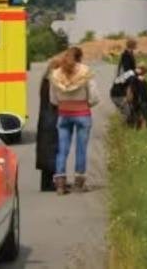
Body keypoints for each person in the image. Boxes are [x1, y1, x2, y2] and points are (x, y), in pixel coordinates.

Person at [49, 47, 99, 194]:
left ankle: (60, 183)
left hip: (64, 113)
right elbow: (93, 95)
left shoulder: (56, 74)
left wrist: (62, 103)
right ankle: (79, 182)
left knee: (62, 149)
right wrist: (88, 103)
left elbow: (53, 99)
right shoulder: (85, 71)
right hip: (82, 112)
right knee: (81, 148)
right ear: (80, 57)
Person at [36, 59, 60, 192]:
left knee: (44, 151)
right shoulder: (53, 82)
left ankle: (45, 182)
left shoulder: (45, 81)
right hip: (51, 118)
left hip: (44, 119)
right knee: (52, 149)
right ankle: (49, 183)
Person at [111, 39, 138, 121]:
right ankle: (127, 118)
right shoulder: (126, 55)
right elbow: (126, 69)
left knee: (129, 99)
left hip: (129, 76)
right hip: (126, 78)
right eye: (135, 44)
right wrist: (134, 73)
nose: (137, 46)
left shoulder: (130, 53)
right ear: (132, 45)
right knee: (126, 97)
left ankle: (129, 117)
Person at [126, 63, 147, 129]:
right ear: (144, 72)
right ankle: (140, 127)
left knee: (139, 116)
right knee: (142, 117)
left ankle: (137, 125)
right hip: (140, 103)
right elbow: (144, 94)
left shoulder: (137, 80)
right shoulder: (139, 81)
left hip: (138, 103)